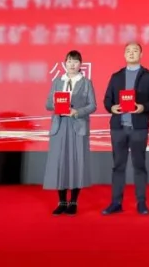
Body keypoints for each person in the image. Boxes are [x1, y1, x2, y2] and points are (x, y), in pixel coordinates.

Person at [101, 42, 149, 216]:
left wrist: (142, 107)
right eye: (128, 51)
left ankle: (141, 203)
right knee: (118, 166)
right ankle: (116, 202)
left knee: (139, 165)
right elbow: (107, 100)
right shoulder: (116, 76)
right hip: (118, 128)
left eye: (135, 50)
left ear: (141, 54)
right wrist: (112, 108)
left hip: (138, 127)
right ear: (124, 55)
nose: (131, 53)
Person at [42, 49, 97, 216]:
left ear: (81, 65)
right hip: (59, 126)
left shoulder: (86, 83)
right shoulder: (58, 81)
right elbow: (48, 104)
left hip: (77, 125)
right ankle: (61, 202)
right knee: (60, 163)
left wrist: (77, 112)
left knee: (76, 163)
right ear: (65, 63)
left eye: (75, 61)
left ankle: (73, 201)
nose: (72, 64)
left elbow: (93, 105)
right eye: (69, 61)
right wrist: (58, 105)